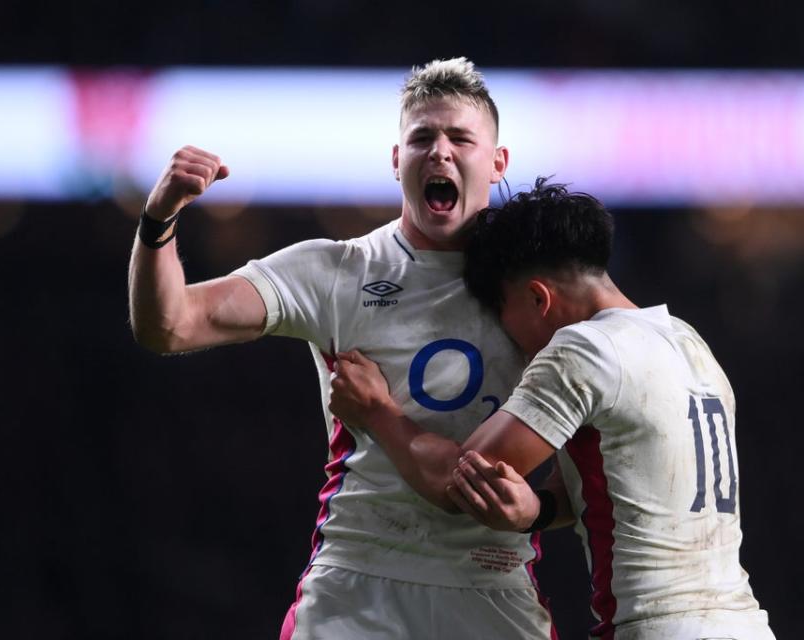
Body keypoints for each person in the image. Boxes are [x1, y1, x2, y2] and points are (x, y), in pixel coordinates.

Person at [128, 58, 555, 640]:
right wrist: (159, 220)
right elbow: (168, 325)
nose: (440, 153)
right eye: (422, 138)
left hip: (491, 583)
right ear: (395, 160)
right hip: (358, 583)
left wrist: (543, 510)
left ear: (498, 161)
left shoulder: (541, 291)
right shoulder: (336, 270)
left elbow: (595, 441)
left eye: (460, 138)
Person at [328, 179, 777, 640]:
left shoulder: (584, 348)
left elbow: (457, 480)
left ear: (538, 298)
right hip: (743, 622)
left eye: (502, 314)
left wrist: (377, 411)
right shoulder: (687, 341)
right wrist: (537, 511)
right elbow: (619, 483)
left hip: (661, 627)